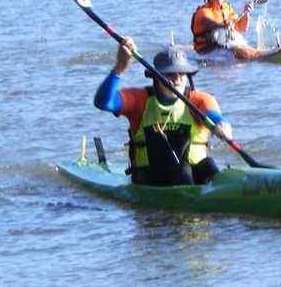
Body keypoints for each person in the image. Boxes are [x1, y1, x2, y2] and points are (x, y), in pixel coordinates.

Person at [93, 39, 233, 186]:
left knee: (208, 165)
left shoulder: (200, 100)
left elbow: (215, 117)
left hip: (192, 175)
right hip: (149, 178)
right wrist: (120, 68)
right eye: (170, 74)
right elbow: (103, 102)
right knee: (182, 169)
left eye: (182, 73)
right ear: (156, 77)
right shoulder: (139, 100)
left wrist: (222, 126)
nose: (177, 79)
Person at [190, 0, 254, 55]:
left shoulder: (227, 8)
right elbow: (209, 23)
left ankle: (256, 54)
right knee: (237, 49)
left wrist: (246, 13)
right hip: (206, 51)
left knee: (239, 45)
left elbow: (242, 28)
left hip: (224, 48)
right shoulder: (202, 12)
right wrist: (224, 26)